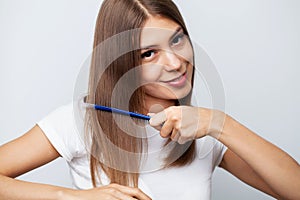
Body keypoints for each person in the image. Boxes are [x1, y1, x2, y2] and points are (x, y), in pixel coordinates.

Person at [0, 0, 299, 199]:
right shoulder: (80, 122)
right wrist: (73, 197)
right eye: (149, 53)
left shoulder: (203, 130)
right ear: (120, 63)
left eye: (177, 39)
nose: (175, 62)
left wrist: (220, 124)